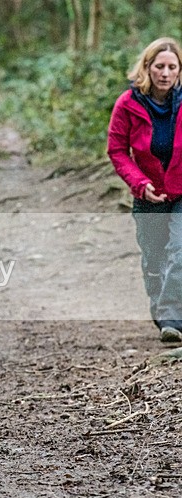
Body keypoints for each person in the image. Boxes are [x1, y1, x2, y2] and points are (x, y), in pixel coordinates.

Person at [107, 37, 182, 342]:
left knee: (180, 251)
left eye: (172, 67)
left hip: (181, 192)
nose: (165, 73)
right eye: (159, 66)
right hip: (148, 194)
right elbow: (117, 150)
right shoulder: (128, 103)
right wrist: (140, 183)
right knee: (154, 261)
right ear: (147, 67)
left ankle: (172, 319)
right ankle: (163, 312)